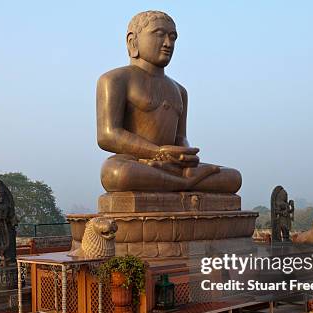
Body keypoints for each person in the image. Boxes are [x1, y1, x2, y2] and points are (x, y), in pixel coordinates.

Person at [96, 10, 242, 193]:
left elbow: (180, 138)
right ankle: (184, 184)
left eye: (173, 37)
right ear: (133, 41)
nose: (168, 43)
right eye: (159, 34)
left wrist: (185, 155)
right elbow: (108, 135)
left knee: (232, 177)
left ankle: (178, 181)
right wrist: (157, 153)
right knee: (115, 173)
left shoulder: (180, 91)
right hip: (137, 163)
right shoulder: (115, 79)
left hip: (172, 166)